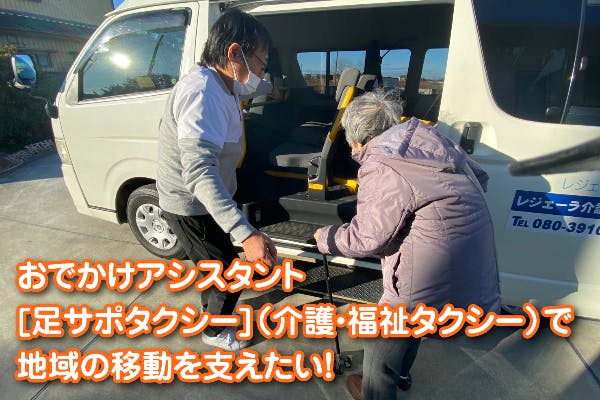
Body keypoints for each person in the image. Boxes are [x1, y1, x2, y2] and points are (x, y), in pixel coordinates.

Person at [314, 91, 501, 400]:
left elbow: (368, 238)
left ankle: (376, 392)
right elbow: (480, 178)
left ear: (358, 138)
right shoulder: (426, 137)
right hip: (470, 253)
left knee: (384, 333)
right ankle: (400, 374)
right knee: (415, 320)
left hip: (430, 263)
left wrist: (327, 238)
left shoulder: (381, 162)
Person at [157, 10, 277, 352]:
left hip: (209, 198)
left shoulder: (224, 84)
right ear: (234, 53)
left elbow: (254, 87)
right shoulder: (202, 93)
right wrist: (247, 234)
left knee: (212, 264)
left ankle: (210, 311)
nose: (262, 72)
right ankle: (214, 332)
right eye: (262, 62)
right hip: (190, 204)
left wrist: (274, 89)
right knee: (225, 270)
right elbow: (199, 171)